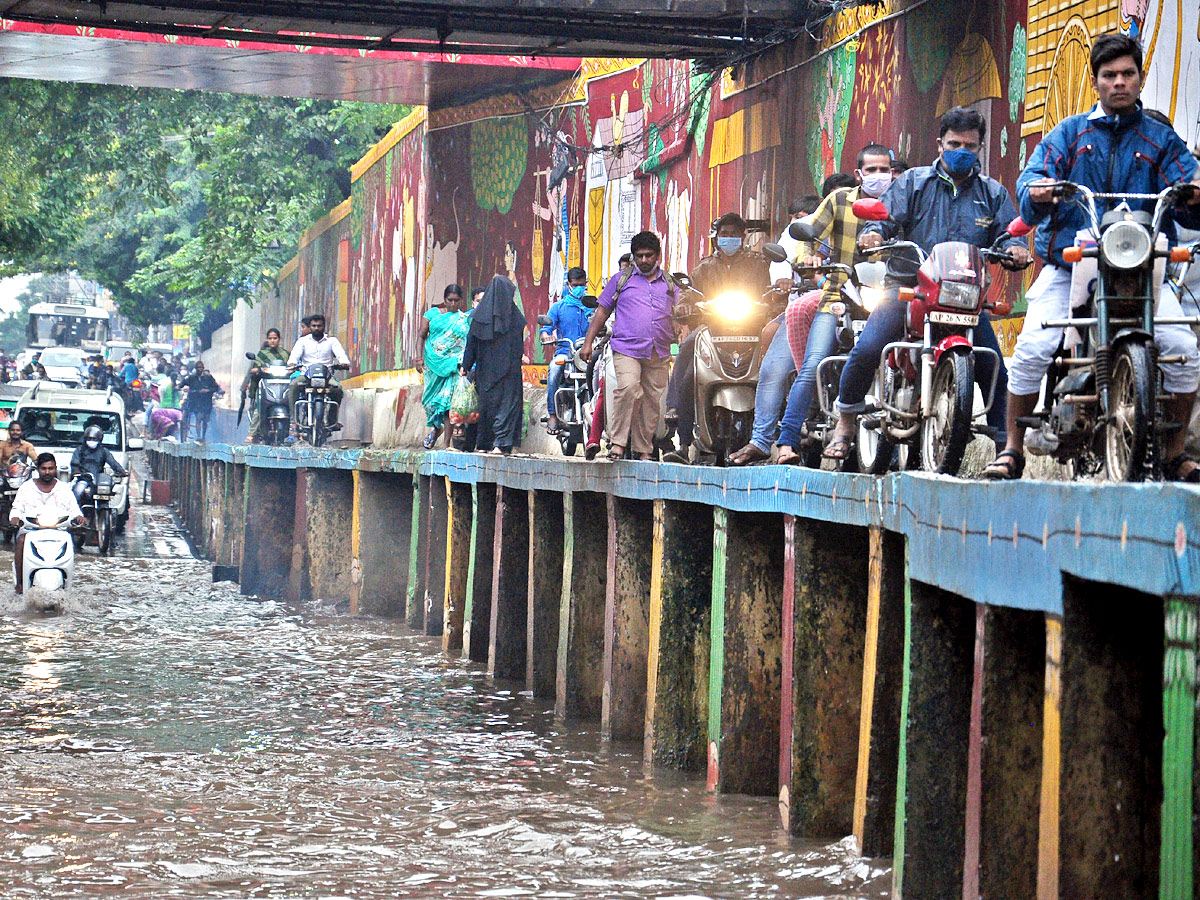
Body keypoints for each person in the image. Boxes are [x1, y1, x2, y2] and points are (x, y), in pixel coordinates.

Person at [986, 33, 1200, 480]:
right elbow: (1030, 182)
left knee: (1184, 350)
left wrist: (1194, 194)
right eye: (1110, 76)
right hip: (1071, 264)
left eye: (1128, 75)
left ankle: (1176, 453)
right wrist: (1040, 189)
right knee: (1030, 349)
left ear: (1140, 80)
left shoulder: (1162, 139)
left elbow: (1188, 184)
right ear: (1095, 81)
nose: (1119, 83)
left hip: (1144, 268)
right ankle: (1011, 450)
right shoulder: (1069, 134)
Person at [822, 106, 1032, 462]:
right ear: (939, 144)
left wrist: (1015, 249)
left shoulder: (992, 194)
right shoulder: (912, 183)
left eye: (970, 145)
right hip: (909, 288)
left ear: (980, 147)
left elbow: (1010, 234)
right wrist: (873, 236)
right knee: (870, 346)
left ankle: (1005, 447)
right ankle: (845, 421)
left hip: (962, 296)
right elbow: (883, 221)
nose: (962, 151)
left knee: (993, 363)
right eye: (954, 144)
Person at [774, 144, 897, 465]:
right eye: (871, 170)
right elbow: (808, 232)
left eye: (885, 169)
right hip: (839, 295)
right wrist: (808, 257)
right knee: (815, 361)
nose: (879, 176)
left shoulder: (902, 199)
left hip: (887, 296)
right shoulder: (840, 200)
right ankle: (786, 439)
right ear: (859, 174)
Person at [663, 213, 773, 463]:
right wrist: (684, 309)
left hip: (751, 329)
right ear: (716, 237)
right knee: (688, 354)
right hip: (711, 328)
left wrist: (776, 300)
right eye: (725, 234)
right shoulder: (704, 268)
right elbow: (687, 295)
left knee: (774, 366)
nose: (730, 238)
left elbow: (770, 293)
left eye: (735, 233)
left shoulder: (759, 264)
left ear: (743, 236)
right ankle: (678, 420)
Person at [580, 232, 678, 461]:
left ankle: (644, 449)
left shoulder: (671, 284)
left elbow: (681, 312)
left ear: (658, 256)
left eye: (648, 256)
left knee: (652, 401)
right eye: (639, 256)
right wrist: (587, 343)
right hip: (626, 349)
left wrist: (682, 328)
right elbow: (602, 311)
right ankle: (618, 444)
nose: (644, 260)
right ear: (634, 257)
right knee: (629, 389)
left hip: (659, 350)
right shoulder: (621, 280)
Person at [461, 275, 526, 454]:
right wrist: (465, 365)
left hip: (489, 372)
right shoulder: (515, 318)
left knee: (494, 408)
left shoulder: (482, 317)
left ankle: (492, 444)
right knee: (502, 408)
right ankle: (496, 444)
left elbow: (471, 344)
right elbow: (518, 347)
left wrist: (466, 366)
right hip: (507, 372)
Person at [11, 453, 85, 593]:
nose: (47, 472)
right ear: (38, 469)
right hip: (31, 530)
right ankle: (21, 584)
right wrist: (15, 518)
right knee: (21, 541)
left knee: (70, 542)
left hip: (58, 530)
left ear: (55, 468)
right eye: (44, 468)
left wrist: (79, 517)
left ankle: (68, 583)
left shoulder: (63, 488)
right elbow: (17, 507)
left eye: (50, 468)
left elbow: (74, 508)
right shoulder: (27, 488)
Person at [540, 266, 593, 434]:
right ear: (568, 285)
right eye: (575, 285)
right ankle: (553, 415)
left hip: (588, 353)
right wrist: (546, 336)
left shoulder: (592, 306)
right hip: (565, 352)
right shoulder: (558, 307)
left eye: (582, 285)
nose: (579, 288)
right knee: (554, 369)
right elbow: (545, 330)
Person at [419, 285, 471, 449]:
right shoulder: (432, 315)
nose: (453, 304)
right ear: (444, 300)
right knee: (429, 402)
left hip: (454, 364)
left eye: (457, 300)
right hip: (433, 364)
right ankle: (436, 428)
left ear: (461, 301)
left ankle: (446, 443)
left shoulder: (464, 318)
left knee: (448, 403)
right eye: (450, 300)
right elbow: (421, 336)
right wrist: (417, 358)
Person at [287, 313, 351, 441]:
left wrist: (344, 363)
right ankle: (293, 422)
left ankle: (333, 420)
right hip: (306, 375)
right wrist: (292, 363)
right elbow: (294, 356)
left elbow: (341, 355)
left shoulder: (332, 341)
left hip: (326, 376)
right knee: (293, 385)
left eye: (319, 326)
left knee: (338, 388)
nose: (317, 328)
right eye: (314, 326)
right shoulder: (303, 341)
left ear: (324, 326)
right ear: (310, 327)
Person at [246, 328, 291, 443]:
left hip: (283, 385)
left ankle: (293, 430)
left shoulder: (285, 354)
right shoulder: (262, 354)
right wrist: (258, 369)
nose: (272, 341)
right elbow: (255, 367)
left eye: (275, 338)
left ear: (279, 339)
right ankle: (252, 433)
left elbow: (292, 365)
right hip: (267, 385)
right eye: (270, 338)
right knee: (259, 407)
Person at [70, 422, 128, 508]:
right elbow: (75, 462)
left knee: (111, 493)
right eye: (89, 438)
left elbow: (113, 462)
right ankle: (76, 513)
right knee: (77, 492)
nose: (91, 441)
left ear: (99, 440)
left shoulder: (103, 451)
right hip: (84, 479)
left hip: (99, 480)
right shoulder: (80, 450)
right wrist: (76, 471)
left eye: (94, 439)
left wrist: (121, 471)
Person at [181, 362, 221, 442]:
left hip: (206, 402)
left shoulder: (208, 377)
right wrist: (178, 386)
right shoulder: (192, 378)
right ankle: (199, 436)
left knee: (205, 420)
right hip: (196, 402)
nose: (200, 369)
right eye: (198, 367)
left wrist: (207, 390)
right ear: (196, 368)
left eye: (201, 367)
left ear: (203, 368)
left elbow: (216, 387)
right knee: (198, 418)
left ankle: (203, 436)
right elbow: (183, 383)